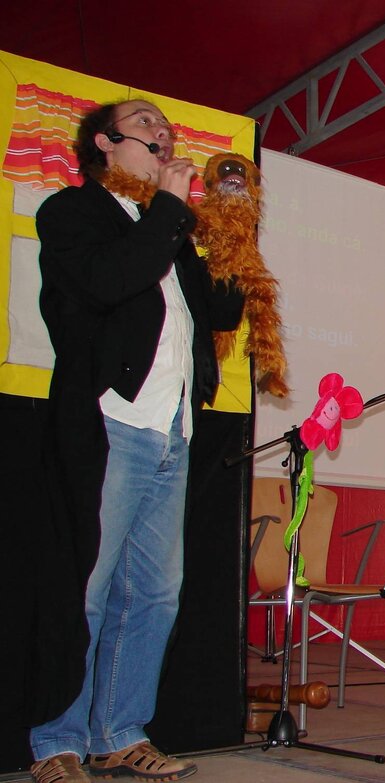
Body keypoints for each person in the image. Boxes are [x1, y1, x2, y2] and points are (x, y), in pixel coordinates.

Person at [29, 99, 244, 783]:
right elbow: (105, 284)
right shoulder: (72, 213)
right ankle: (54, 740)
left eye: (166, 128)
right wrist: (171, 214)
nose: (165, 133)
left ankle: (119, 732)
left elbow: (223, 313)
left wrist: (232, 236)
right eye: (148, 124)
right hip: (109, 425)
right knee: (84, 590)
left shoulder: (172, 233)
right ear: (105, 141)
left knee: (154, 594)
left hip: (173, 431)